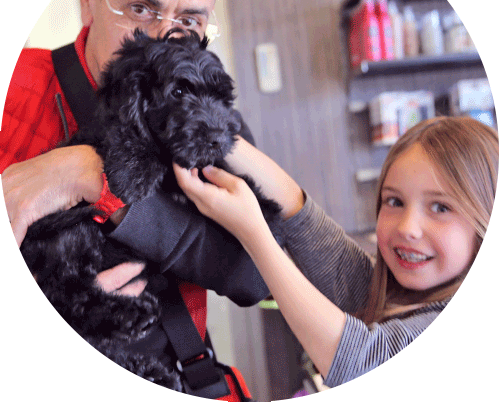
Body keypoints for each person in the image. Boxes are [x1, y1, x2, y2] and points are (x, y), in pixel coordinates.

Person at [1, 0, 269, 400]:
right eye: (142, 8)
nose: (161, 39)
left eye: (188, 22)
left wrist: (95, 179)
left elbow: (256, 276)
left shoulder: (206, 116)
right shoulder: (15, 91)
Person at [174, 116, 498, 387]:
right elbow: (299, 214)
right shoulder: (395, 294)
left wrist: (254, 233)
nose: (407, 227)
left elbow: (360, 362)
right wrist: (214, 131)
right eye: (394, 201)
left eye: (440, 207)